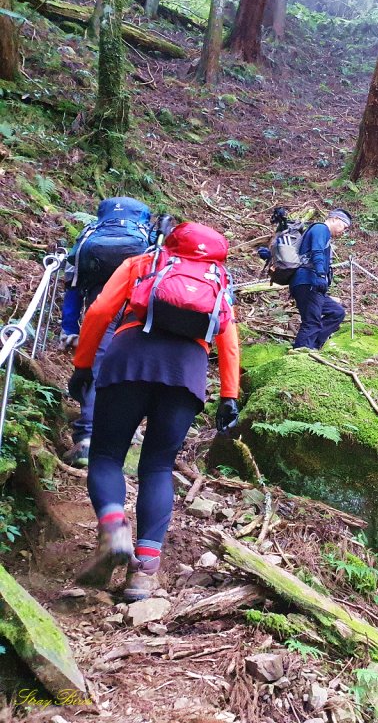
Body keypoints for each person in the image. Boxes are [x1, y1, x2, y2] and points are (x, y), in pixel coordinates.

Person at [68, 222, 240, 601]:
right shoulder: (218, 280)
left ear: (169, 241)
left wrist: (83, 365)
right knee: (159, 468)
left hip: (129, 360)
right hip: (186, 373)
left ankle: (114, 528)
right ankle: (144, 574)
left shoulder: (144, 263)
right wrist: (229, 395)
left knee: (107, 456)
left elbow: (99, 311)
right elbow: (228, 339)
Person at [60, 197, 155, 467]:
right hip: (136, 308)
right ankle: (127, 431)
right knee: (130, 366)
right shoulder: (148, 236)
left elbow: (73, 284)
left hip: (100, 304)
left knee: (98, 365)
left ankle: (87, 437)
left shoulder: (90, 234)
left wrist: (69, 327)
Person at [290, 209, 351, 350]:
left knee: (337, 313)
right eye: (344, 227)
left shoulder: (322, 232)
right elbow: (317, 252)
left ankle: (313, 346)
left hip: (312, 283)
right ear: (335, 219)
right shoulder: (320, 229)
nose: (344, 231)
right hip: (308, 281)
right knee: (311, 322)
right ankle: (301, 352)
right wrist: (321, 274)